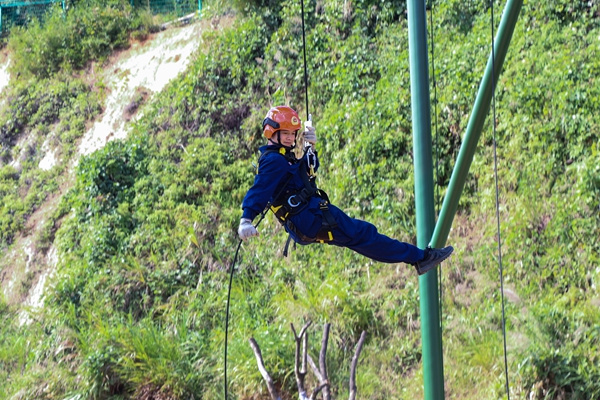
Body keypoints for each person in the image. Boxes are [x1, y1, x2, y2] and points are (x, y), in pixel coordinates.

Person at [238, 105, 453, 275]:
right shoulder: (273, 161)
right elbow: (260, 188)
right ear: (272, 132)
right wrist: (246, 218)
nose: (290, 138)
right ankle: (420, 258)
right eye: (285, 133)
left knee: (362, 236)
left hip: (309, 217)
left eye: (293, 134)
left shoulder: (283, 157)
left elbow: (304, 174)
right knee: (364, 235)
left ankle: (419, 258)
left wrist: (310, 150)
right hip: (309, 217)